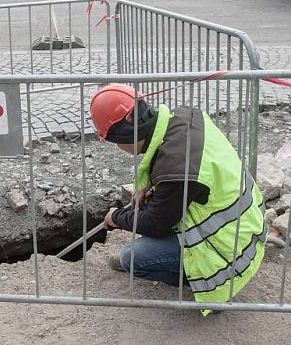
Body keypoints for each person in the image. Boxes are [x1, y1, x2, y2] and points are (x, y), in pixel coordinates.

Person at [91, 83, 265, 311]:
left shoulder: (176, 168)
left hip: (230, 249)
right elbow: (179, 173)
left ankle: (211, 287)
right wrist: (153, 186)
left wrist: (117, 217)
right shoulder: (184, 117)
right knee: (146, 209)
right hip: (246, 224)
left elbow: (156, 224)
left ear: (123, 133)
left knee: (130, 258)